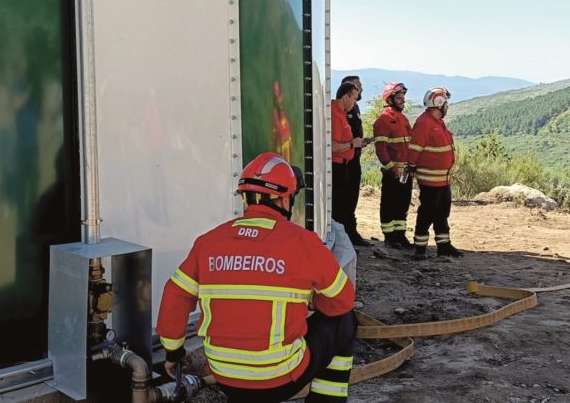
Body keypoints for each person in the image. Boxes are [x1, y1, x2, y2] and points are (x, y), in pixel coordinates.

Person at [156, 152, 357, 402]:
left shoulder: (208, 242)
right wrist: (310, 303)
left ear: (245, 199)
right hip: (280, 378)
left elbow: (175, 295)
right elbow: (343, 301)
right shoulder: (301, 241)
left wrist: (173, 353)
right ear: (284, 199)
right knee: (345, 321)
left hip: (225, 376)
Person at [407, 87, 462, 260]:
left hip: (443, 179)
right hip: (431, 179)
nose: (447, 106)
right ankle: (420, 249)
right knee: (427, 213)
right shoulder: (424, 123)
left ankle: (444, 245)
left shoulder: (437, 122)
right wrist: (412, 166)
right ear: (438, 103)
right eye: (445, 103)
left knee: (442, 213)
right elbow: (415, 149)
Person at [372, 82, 413, 248]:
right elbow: (381, 149)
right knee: (390, 203)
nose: (402, 100)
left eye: (403, 96)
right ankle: (389, 237)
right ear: (390, 99)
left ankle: (400, 235)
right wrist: (392, 168)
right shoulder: (383, 120)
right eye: (398, 97)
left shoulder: (402, 119)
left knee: (403, 203)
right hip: (392, 171)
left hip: (406, 171)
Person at [331, 82, 366, 245]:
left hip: (344, 165)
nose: (355, 103)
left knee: (344, 205)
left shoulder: (342, 113)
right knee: (338, 207)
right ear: (345, 97)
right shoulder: (335, 114)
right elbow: (332, 146)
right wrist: (353, 144)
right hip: (336, 167)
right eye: (353, 98)